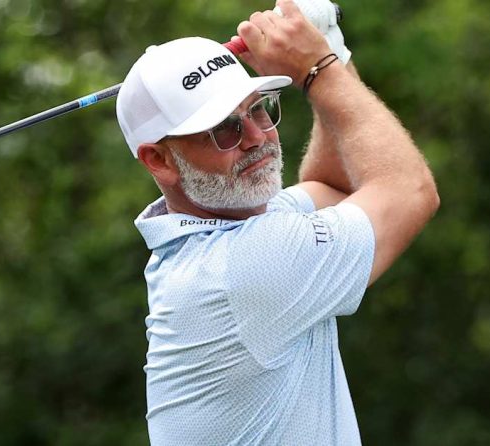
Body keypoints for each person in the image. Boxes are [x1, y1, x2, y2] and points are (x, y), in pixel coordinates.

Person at [115, 0, 439, 444]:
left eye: (258, 109)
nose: (256, 138)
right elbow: (409, 191)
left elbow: (335, 186)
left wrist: (331, 50)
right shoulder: (239, 268)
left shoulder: (229, 233)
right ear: (159, 159)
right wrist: (318, 69)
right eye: (223, 129)